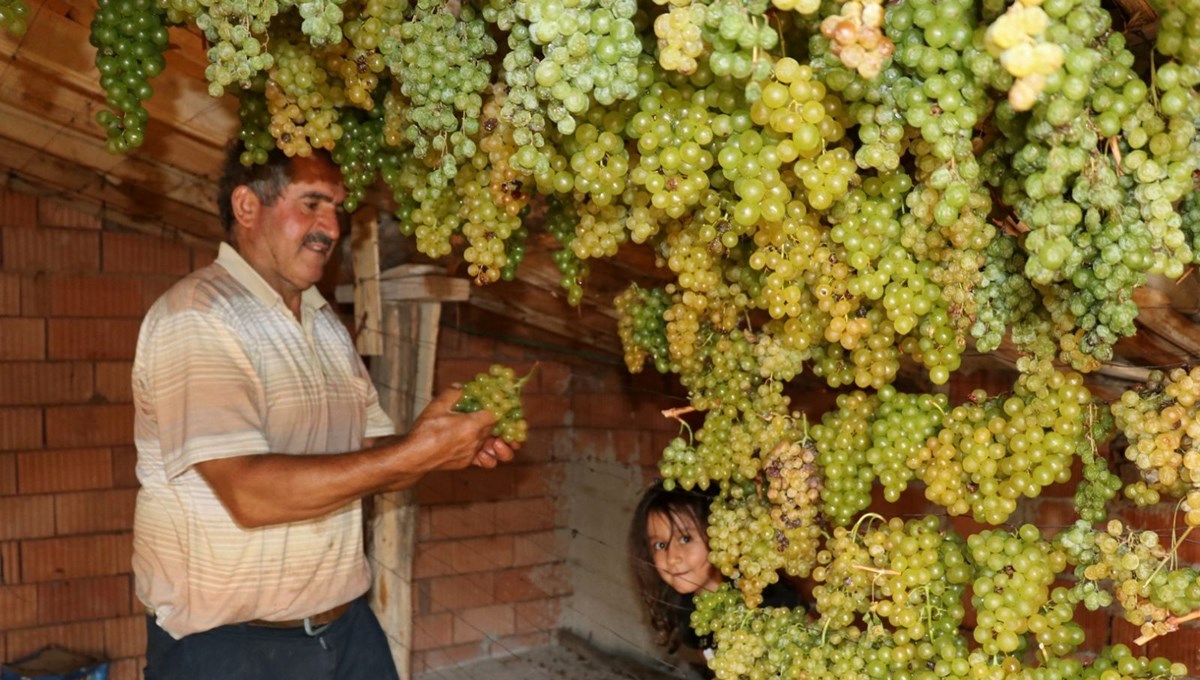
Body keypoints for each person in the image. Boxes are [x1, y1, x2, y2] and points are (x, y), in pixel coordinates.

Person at [131, 140, 516, 680]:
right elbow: (249, 493)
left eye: (336, 207)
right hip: (228, 650)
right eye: (311, 203)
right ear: (247, 207)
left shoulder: (324, 324)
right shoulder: (199, 317)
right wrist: (411, 454)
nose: (331, 227)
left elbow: (360, 455)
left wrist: (439, 445)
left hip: (346, 629)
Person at [627, 481, 804, 662]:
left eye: (685, 539)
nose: (672, 557)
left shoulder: (770, 603)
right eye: (660, 545)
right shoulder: (689, 612)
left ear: (719, 534)